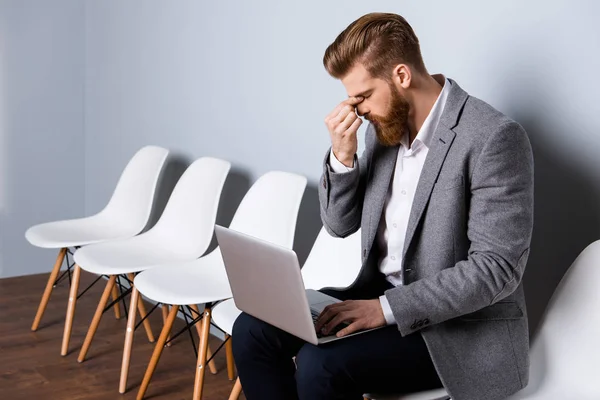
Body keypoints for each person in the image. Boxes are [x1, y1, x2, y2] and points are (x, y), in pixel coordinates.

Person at [232, 12, 534, 400]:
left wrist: (386, 308)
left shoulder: (493, 138)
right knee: (253, 329)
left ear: (402, 76)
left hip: (455, 329)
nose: (356, 110)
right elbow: (339, 225)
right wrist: (343, 158)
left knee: (318, 365)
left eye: (361, 96)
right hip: (378, 296)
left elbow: (497, 270)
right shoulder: (382, 129)